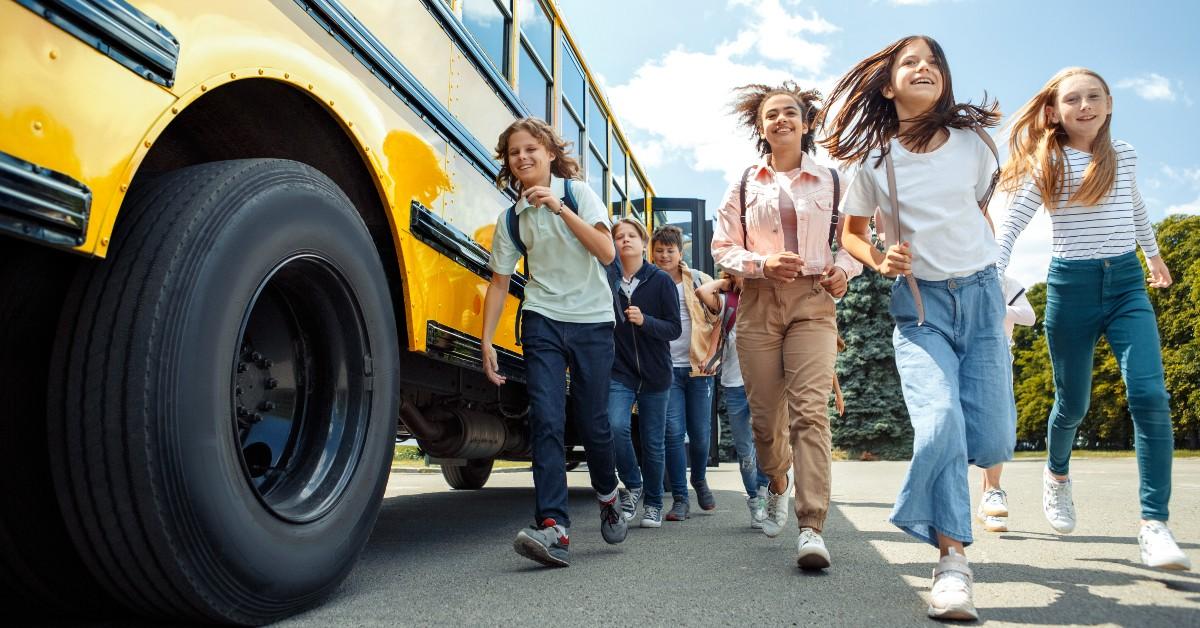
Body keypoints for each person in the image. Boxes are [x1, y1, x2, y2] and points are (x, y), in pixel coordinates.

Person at [820, 36, 1015, 619]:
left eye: (934, 63)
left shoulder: (975, 144)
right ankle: (952, 562)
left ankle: (965, 500)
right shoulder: (875, 160)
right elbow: (852, 233)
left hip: (982, 297)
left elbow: (978, 211)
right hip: (920, 308)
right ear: (888, 85)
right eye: (911, 62)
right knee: (940, 423)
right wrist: (881, 259)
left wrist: (1000, 285)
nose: (924, 68)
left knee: (994, 439)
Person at [996, 67, 1190, 570]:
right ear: (1053, 111)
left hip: (1126, 284)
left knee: (1149, 394)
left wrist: (1153, 256)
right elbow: (1013, 223)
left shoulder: (1124, 154)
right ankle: (1057, 474)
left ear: (1108, 104)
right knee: (1072, 405)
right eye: (1073, 99)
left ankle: (1154, 524)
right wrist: (993, 276)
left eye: (1094, 97)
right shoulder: (1048, 162)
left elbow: (1136, 206)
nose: (1084, 106)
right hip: (1071, 288)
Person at [711, 81, 862, 570]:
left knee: (810, 412)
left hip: (813, 302)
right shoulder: (742, 184)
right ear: (761, 127)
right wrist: (761, 263)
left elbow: (856, 240)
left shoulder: (833, 180)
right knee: (764, 420)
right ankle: (777, 481)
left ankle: (812, 526)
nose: (781, 120)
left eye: (789, 112)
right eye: (771, 114)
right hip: (758, 303)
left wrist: (845, 270)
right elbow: (722, 248)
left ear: (805, 122)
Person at [481, 117, 626, 567]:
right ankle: (553, 527)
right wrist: (486, 341)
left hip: (592, 320)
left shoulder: (577, 194)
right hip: (542, 318)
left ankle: (608, 494)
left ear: (549, 154)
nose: (522, 157)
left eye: (531, 149)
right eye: (514, 152)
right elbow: (499, 282)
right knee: (546, 418)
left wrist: (560, 209)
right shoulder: (512, 218)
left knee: (593, 421)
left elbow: (607, 252)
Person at [605, 217, 682, 529]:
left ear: (643, 242)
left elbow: (674, 329)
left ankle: (653, 504)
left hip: (656, 373)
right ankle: (633, 484)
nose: (625, 240)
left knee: (652, 442)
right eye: (619, 236)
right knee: (614, 426)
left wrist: (645, 321)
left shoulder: (660, 280)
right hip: (619, 370)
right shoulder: (607, 278)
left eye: (632, 235)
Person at [651, 225, 719, 521]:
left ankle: (699, 479)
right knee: (673, 434)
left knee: (701, 436)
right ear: (652, 252)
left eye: (670, 250)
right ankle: (680, 498)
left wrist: (713, 356)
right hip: (666, 370)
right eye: (659, 250)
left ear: (681, 253)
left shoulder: (699, 280)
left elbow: (720, 317)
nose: (665, 255)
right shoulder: (647, 281)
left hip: (699, 369)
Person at [695, 271, 769, 529]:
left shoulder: (768, 300)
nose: (746, 279)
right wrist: (727, 283)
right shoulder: (728, 301)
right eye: (740, 275)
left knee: (766, 443)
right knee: (745, 449)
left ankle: (764, 492)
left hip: (764, 384)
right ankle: (754, 499)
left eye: (750, 274)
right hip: (735, 385)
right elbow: (702, 292)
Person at [976, 276, 1035, 533]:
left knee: (994, 427)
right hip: (964, 353)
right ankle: (983, 500)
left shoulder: (1006, 283)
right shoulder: (958, 273)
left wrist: (997, 307)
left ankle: (991, 494)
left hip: (999, 358)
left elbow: (1029, 317)